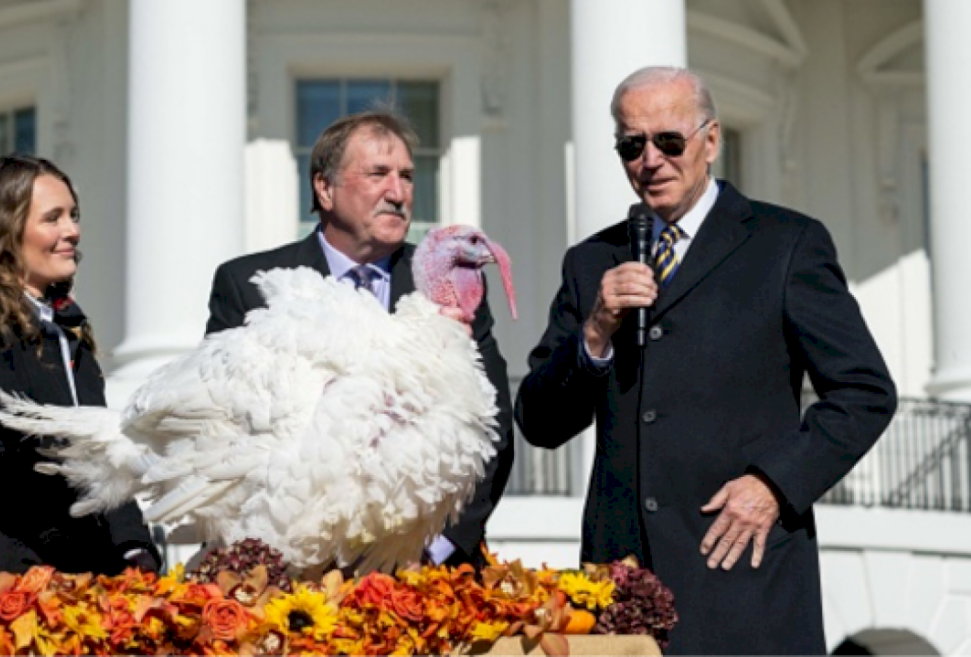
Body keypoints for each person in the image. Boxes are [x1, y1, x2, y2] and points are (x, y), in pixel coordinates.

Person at [515, 66, 896, 654]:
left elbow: (865, 393)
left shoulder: (786, 243)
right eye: (631, 145)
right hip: (619, 594)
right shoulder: (592, 262)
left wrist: (774, 484)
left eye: (670, 141)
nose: (651, 160)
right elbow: (540, 423)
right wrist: (594, 331)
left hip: (744, 583)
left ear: (711, 140)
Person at [206, 110, 514, 571]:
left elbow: (492, 424)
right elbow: (221, 430)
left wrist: (434, 549)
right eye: (378, 174)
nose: (398, 192)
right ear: (324, 189)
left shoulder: (447, 285)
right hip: (292, 569)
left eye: (407, 176)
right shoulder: (248, 285)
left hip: (423, 569)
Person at [0, 154, 161, 575]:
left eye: (73, 215)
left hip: (85, 577)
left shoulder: (69, 331)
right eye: (52, 218)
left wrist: (132, 547)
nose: (72, 230)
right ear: (6, 230)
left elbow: (103, 456)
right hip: (7, 580)